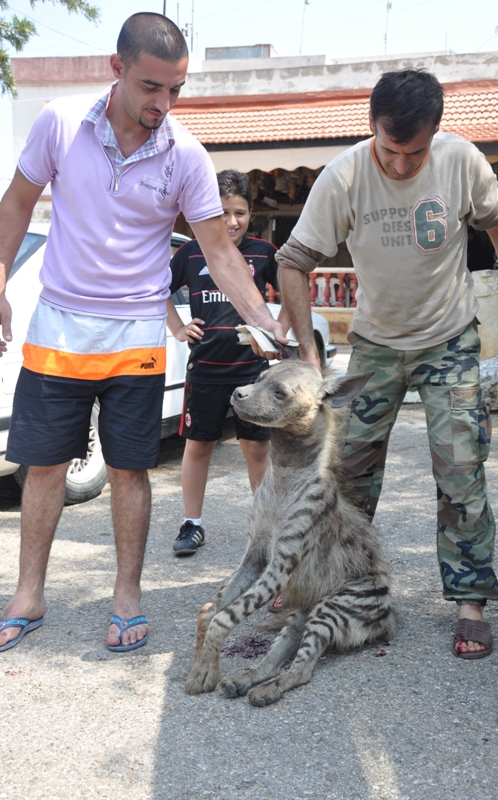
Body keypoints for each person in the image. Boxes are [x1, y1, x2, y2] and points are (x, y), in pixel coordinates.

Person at [0, 13, 285, 654]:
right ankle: (28, 594)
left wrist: (266, 324)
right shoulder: (59, 122)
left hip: (134, 329)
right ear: (117, 68)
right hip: (59, 325)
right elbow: (16, 203)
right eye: (152, 86)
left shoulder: (185, 152)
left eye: (176, 89)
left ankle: (126, 596)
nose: (164, 103)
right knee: (42, 468)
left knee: (130, 469)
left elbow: (217, 249)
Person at [275, 68, 498, 659]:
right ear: (372, 128)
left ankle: (469, 600)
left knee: (461, 467)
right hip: (375, 347)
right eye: (388, 150)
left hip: (447, 340)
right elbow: (293, 262)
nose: (398, 165)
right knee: (345, 476)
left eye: (412, 154)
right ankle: (329, 589)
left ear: (435, 133)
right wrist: (310, 359)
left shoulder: (461, 162)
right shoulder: (343, 177)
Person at [167, 169, 287, 556]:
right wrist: (179, 328)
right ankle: (192, 524)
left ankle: (265, 526)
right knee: (198, 446)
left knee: (256, 450)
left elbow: (291, 295)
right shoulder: (189, 253)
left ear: (251, 213)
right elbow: (155, 292)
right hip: (205, 371)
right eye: (221, 213)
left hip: (252, 374)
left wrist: (273, 336)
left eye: (240, 212)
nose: (231, 222)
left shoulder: (264, 253)